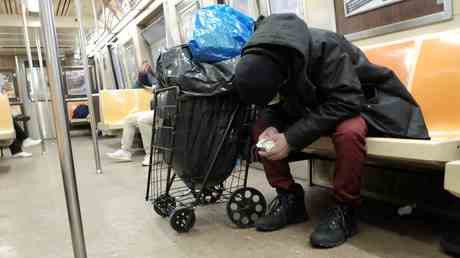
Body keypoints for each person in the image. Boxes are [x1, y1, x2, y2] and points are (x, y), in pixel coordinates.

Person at [233, 14, 429, 248]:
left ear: (283, 73)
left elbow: (347, 101)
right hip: (316, 105)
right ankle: (290, 199)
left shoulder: (326, 46)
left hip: (363, 103)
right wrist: (272, 124)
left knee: (349, 131)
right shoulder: (270, 57)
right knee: (261, 129)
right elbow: (275, 104)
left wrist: (291, 138)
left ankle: (344, 209)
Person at [107, 61, 159, 166]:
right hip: (157, 109)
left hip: (164, 111)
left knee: (143, 120)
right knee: (129, 119)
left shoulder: (163, 79)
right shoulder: (153, 79)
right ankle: (125, 151)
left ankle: (151, 155)